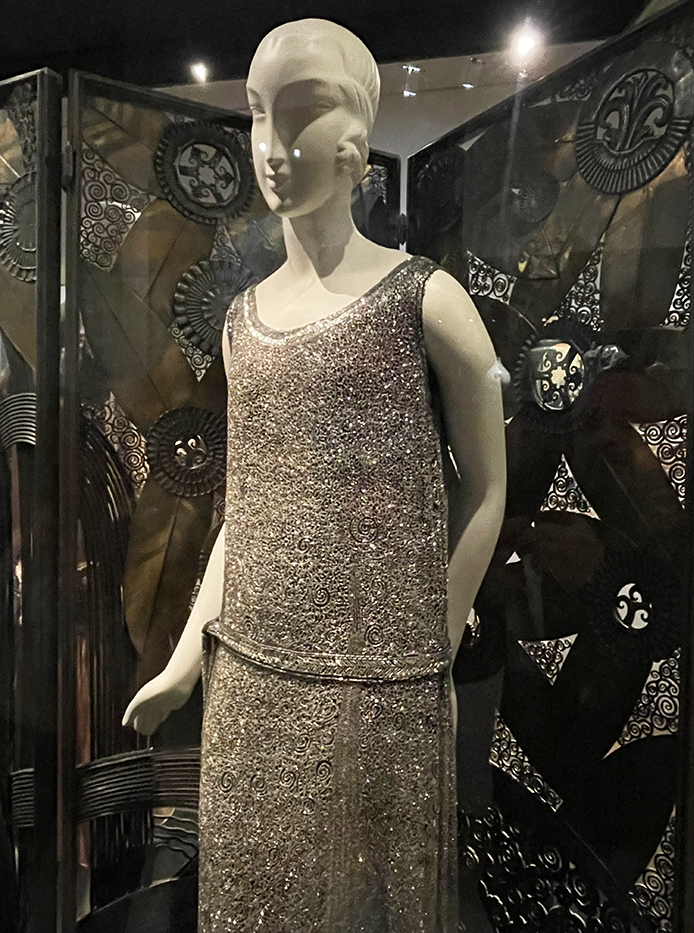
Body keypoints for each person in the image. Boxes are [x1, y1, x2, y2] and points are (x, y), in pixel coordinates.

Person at [124, 18, 506, 932]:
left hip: (385, 691)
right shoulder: (241, 324)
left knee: (372, 904)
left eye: (302, 112)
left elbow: (487, 486)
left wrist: (435, 644)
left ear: (355, 136)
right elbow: (247, 515)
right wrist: (184, 663)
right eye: (259, 113)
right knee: (252, 900)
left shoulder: (426, 300)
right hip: (251, 686)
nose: (271, 144)